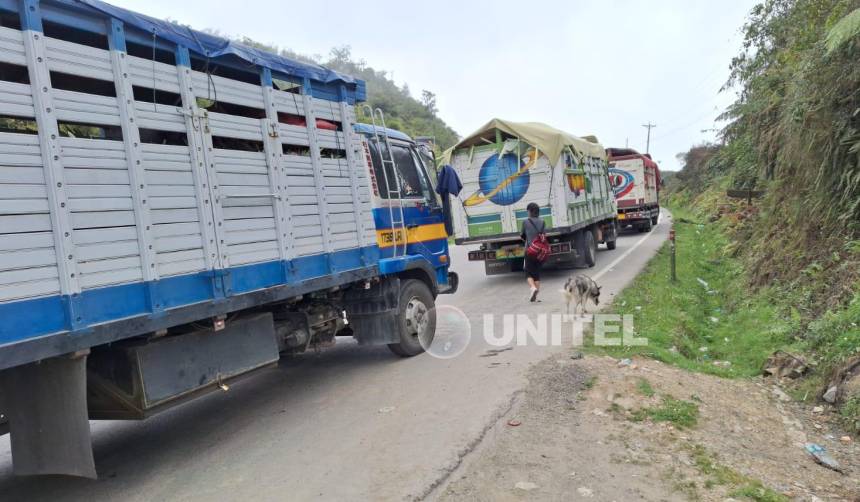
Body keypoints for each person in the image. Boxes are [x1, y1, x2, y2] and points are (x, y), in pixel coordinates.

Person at [520, 202, 545, 302]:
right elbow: (543, 236)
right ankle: (536, 297)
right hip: (539, 251)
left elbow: (522, 235)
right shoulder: (542, 222)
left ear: (530, 211)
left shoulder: (525, 222)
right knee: (537, 274)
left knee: (528, 273)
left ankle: (533, 288)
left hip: (529, 250)